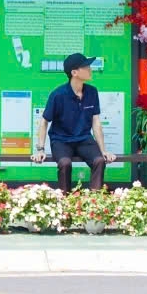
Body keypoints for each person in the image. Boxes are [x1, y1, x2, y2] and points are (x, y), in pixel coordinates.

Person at [31, 52, 116, 192]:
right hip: (61, 140)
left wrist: (103, 150)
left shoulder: (92, 92)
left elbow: (96, 123)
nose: (90, 69)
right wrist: (40, 149)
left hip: (83, 139)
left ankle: (95, 202)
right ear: (74, 72)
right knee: (65, 163)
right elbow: (44, 121)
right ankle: (65, 201)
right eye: (86, 66)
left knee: (99, 161)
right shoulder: (58, 95)